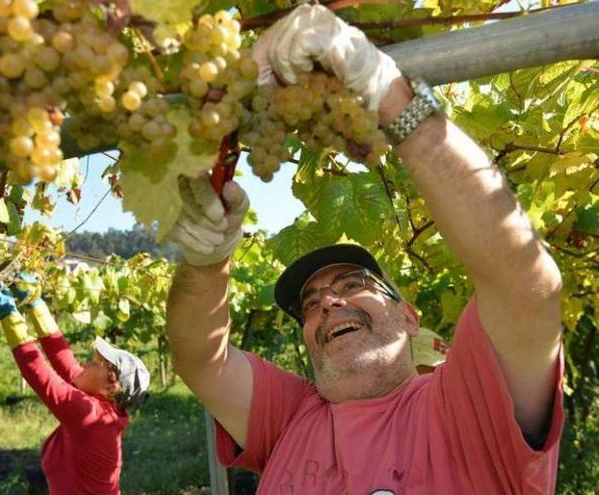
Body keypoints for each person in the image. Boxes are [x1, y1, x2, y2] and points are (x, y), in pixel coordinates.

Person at [165, 5, 564, 494]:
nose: (328, 302)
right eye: (310, 306)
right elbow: (200, 360)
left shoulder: (461, 413)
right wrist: (206, 262)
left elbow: (526, 285)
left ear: (410, 317)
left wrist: (387, 93)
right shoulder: (291, 416)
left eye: (353, 285)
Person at [0, 274, 150, 495]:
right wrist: (35, 303)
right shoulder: (102, 407)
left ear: (109, 388)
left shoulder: (91, 415)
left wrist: (9, 314)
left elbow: (39, 374)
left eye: (97, 363)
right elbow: (64, 361)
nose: (87, 363)